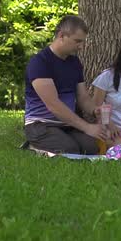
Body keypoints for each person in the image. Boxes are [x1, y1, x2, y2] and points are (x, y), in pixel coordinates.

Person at [23, 15, 107, 154]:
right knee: (69, 150)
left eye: (82, 42)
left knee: (91, 148)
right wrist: (87, 127)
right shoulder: (40, 62)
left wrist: (94, 110)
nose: (81, 46)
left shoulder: (74, 63)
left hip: (67, 125)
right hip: (41, 124)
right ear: (61, 35)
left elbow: (83, 98)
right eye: (77, 41)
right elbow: (53, 105)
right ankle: (33, 147)